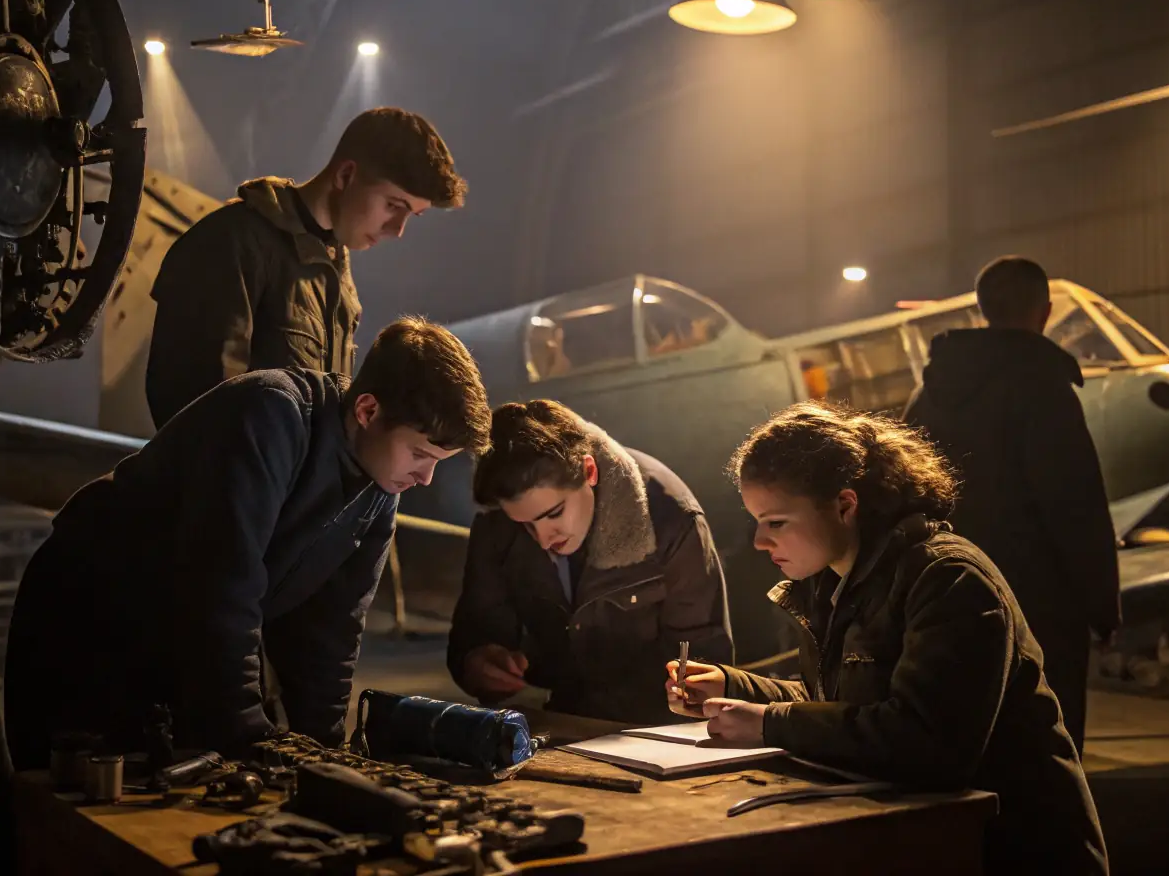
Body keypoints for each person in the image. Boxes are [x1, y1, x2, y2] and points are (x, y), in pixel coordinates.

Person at [5, 318, 490, 769]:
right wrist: (246, 735)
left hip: (186, 630)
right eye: (420, 454)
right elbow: (222, 585)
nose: (426, 477)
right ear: (368, 410)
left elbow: (333, 629)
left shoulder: (380, 489)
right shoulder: (269, 414)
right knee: (63, 812)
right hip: (88, 615)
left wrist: (322, 756)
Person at [666, 403, 1107, 875]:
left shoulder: (950, 579)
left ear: (844, 505)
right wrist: (735, 690)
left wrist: (768, 722)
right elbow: (844, 701)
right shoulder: (835, 582)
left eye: (776, 522)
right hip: (932, 844)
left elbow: (926, 743)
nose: (758, 541)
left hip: (1014, 851)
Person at [903, 255, 1120, 753]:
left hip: (950, 593)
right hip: (1039, 607)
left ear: (982, 309)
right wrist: (1102, 606)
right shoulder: (1044, 386)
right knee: (1046, 743)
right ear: (1044, 312)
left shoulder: (928, 393)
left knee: (969, 739)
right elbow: (1075, 507)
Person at [145, 107, 468, 429]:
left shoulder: (334, 262)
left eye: (412, 214)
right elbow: (194, 410)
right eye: (393, 205)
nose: (397, 229)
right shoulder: (233, 242)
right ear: (345, 176)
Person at [449, 400, 733, 723]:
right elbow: (474, 633)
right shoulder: (497, 525)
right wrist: (478, 664)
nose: (543, 540)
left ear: (589, 471)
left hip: (657, 733)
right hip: (554, 728)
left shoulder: (670, 520)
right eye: (526, 525)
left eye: (554, 514)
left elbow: (707, 664)